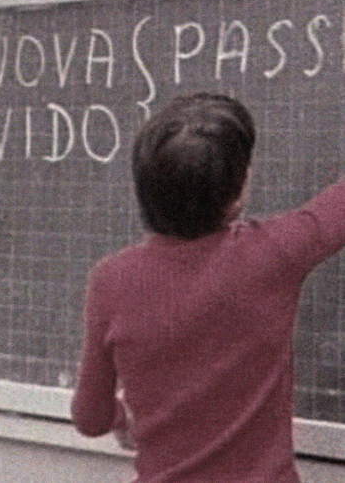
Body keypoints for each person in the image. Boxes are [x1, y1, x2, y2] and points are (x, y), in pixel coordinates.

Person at [71, 91, 345, 482]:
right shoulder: (273, 255)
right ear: (237, 195)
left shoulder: (110, 281)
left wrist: (121, 419)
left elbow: (89, 417)